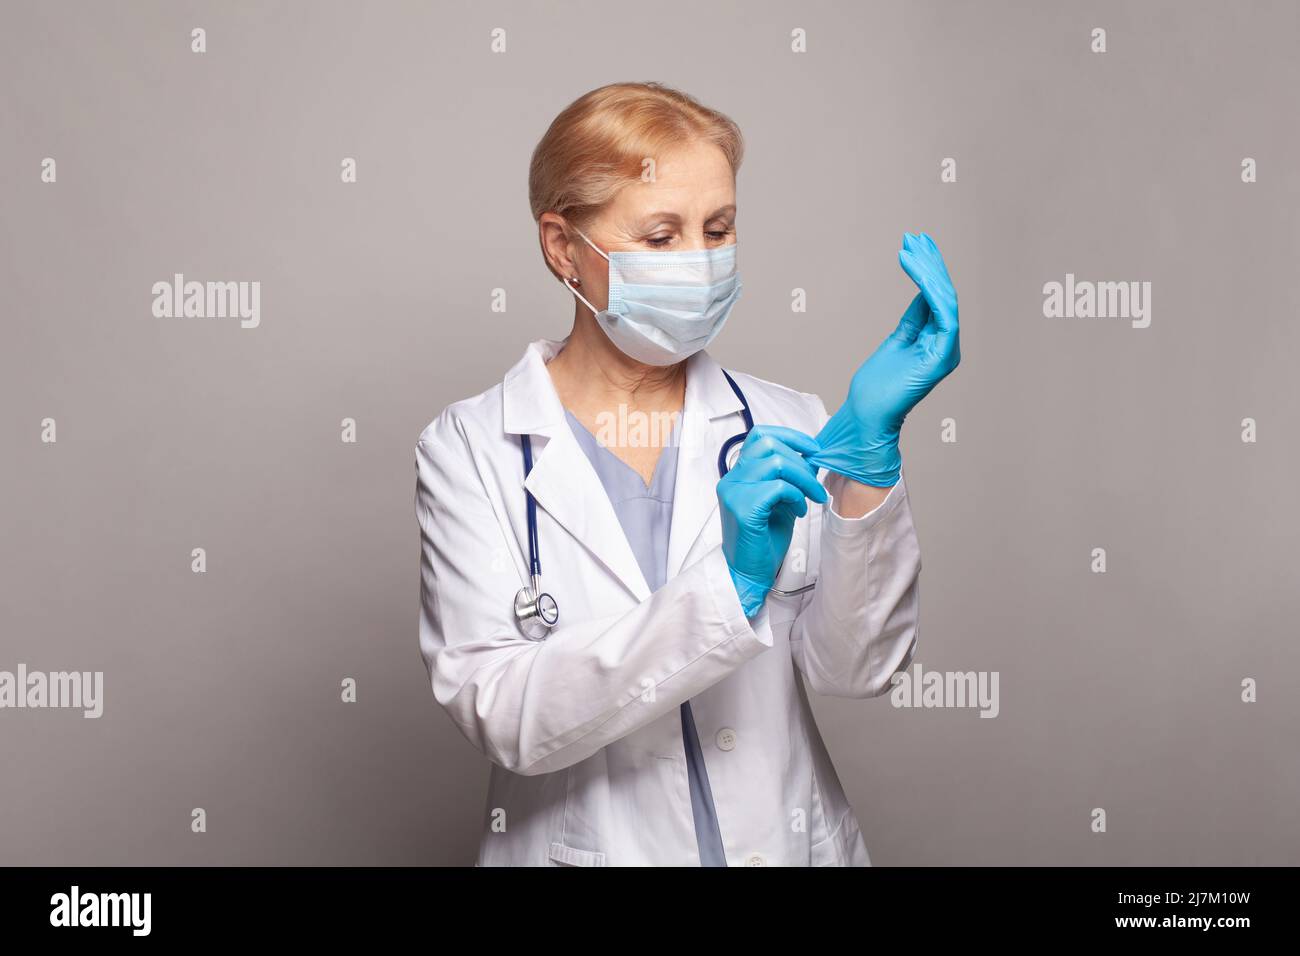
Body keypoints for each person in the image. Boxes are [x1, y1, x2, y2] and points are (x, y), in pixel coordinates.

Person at [414, 82, 959, 866]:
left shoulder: (792, 423)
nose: (700, 263)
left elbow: (859, 670)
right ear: (563, 247)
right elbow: (504, 715)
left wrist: (871, 457)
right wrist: (731, 585)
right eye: (661, 236)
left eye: (718, 228)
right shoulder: (469, 449)